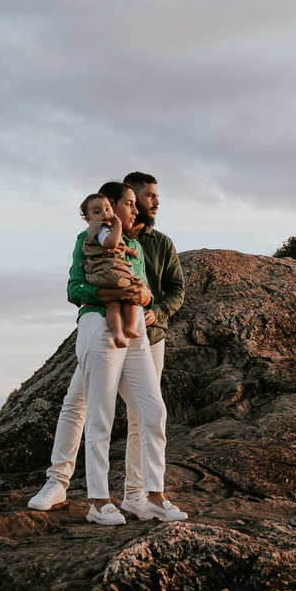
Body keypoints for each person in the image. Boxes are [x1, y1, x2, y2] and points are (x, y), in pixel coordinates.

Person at [28, 183, 187, 525]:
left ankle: (152, 495)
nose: (134, 209)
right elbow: (76, 288)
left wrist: (145, 297)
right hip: (98, 326)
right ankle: (96, 500)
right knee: (95, 412)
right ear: (111, 206)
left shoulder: (140, 244)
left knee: (152, 410)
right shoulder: (87, 238)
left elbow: (149, 289)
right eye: (129, 203)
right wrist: (114, 291)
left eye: (134, 204)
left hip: (141, 332)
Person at [98, 173, 184, 517]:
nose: (154, 202)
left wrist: (156, 310)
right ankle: (71, 487)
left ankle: (136, 495)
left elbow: (177, 289)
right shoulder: (105, 239)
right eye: (147, 196)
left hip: (152, 338)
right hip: (111, 334)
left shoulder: (162, 243)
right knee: (89, 410)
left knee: (143, 415)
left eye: (153, 197)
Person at [78, 192, 145, 345]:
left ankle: (117, 333)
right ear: (88, 219)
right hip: (110, 272)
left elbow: (116, 246)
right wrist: (118, 225)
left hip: (100, 275)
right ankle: (129, 326)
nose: (104, 214)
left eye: (107, 209)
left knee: (112, 304)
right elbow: (111, 244)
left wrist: (129, 251)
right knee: (133, 292)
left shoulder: (95, 233)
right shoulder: (102, 229)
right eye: (97, 212)